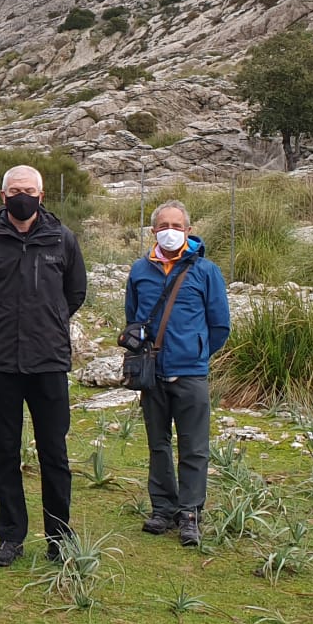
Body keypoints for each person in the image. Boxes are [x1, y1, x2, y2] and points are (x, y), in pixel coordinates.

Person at [0, 163, 87, 567]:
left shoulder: (62, 240)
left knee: (54, 453)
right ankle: (10, 537)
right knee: (5, 451)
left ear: (41, 196)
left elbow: (75, 292)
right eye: (15, 190)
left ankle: (58, 538)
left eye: (29, 190)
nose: (22, 196)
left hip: (49, 362)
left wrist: (45, 322)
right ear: (3, 196)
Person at [125, 200, 231, 548]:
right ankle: (162, 508)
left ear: (188, 230)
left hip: (191, 373)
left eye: (177, 225)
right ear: (154, 230)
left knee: (194, 447)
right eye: (163, 225)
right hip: (151, 372)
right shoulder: (140, 270)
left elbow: (219, 325)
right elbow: (132, 318)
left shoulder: (206, 271)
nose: (170, 231)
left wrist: (197, 353)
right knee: (158, 444)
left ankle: (190, 514)